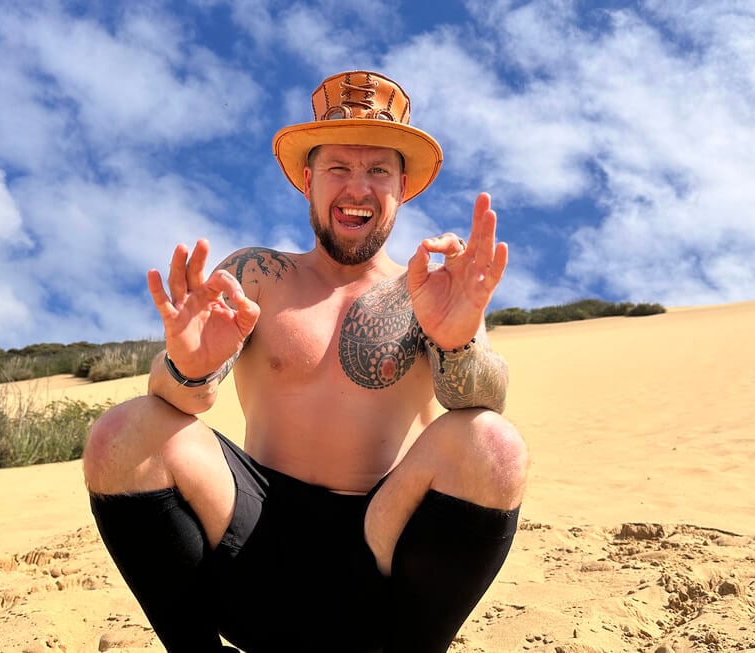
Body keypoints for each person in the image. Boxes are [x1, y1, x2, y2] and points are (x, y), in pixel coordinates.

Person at [83, 70, 528, 653]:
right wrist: (189, 367)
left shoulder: (431, 290)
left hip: (382, 561)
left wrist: (456, 338)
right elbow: (178, 402)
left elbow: (482, 409)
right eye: (338, 167)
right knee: (123, 430)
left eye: (378, 170)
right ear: (308, 179)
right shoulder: (258, 277)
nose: (357, 188)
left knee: (494, 443)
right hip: (254, 552)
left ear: (402, 187)